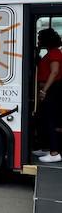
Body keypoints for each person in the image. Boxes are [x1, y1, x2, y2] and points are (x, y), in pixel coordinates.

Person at [35, 28, 62, 163]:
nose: (38, 41)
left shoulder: (55, 53)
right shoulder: (50, 52)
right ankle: (46, 148)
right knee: (45, 119)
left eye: (40, 38)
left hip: (52, 89)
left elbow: (55, 72)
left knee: (51, 120)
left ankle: (54, 152)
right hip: (50, 89)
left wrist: (44, 90)